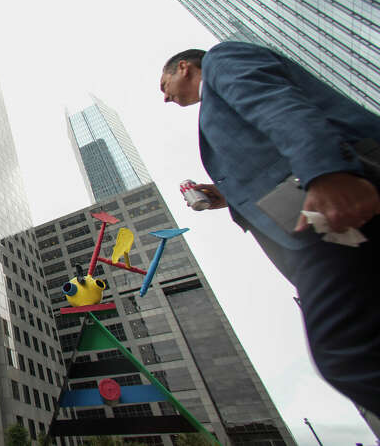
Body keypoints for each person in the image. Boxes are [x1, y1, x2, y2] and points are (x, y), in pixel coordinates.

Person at [159, 41, 380, 415]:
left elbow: (278, 106)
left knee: (345, 346)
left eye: (162, 85)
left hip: (330, 203)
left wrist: (326, 172)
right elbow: (268, 158)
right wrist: (224, 194)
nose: (164, 98)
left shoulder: (222, 62)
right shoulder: (215, 104)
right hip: (322, 210)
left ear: (184, 67)